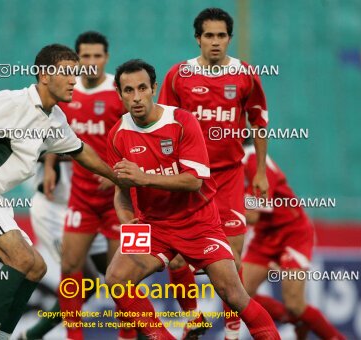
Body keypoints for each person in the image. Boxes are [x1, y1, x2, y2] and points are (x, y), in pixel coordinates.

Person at [0, 44, 118, 340]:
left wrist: (119, 178)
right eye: (68, 73)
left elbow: (81, 151)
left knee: (36, 268)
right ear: (45, 76)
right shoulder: (13, 101)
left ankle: (2, 338)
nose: (75, 80)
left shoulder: (56, 119)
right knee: (21, 260)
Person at [104, 59, 279, 340]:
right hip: (154, 226)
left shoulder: (182, 121)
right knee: (116, 279)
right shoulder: (117, 135)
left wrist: (143, 178)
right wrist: (127, 221)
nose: (136, 97)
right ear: (119, 93)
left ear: (154, 88)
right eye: (128, 90)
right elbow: (121, 193)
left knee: (233, 293)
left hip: (198, 222)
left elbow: (193, 180)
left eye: (142, 88)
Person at [158, 8, 270, 339]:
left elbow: (259, 121)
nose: (216, 42)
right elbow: (164, 126)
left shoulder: (246, 75)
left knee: (231, 258)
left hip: (229, 178)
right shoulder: (179, 75)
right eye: (209, 35)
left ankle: (232, 332)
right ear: (198, 38)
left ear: (229, 39)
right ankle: (192, 318)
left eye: (222, 35)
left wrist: (260, 171)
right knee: (176, 259)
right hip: (188, 181)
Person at [43, 31, 131, 340]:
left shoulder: (119, 93)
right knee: (69, 266)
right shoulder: (68, 93)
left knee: (120, 277)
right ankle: (74, 336)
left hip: (119, 201)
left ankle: (129, 335)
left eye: (97, 56)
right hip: (81, 197)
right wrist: (50, 168)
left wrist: (117, 176)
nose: (91, 63)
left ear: (106, 58)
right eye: (85, 57)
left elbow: (138, 140)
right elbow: (58, 132)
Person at [241, 141, 346, 340]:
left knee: (295, 303)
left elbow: (253, 215)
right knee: (238, 291)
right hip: (265, 235)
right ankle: (293, 319)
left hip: (293, 234)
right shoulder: (234, 162)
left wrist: (220, 214)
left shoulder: (254, 161)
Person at [19, 155, 109, 340]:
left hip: (89, 207)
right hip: (54, 211)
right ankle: (43, 334)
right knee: (85, 280)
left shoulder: (105, 126)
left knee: (123, 274)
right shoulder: (45, 126)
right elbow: (33, 147)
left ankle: (143, 333)